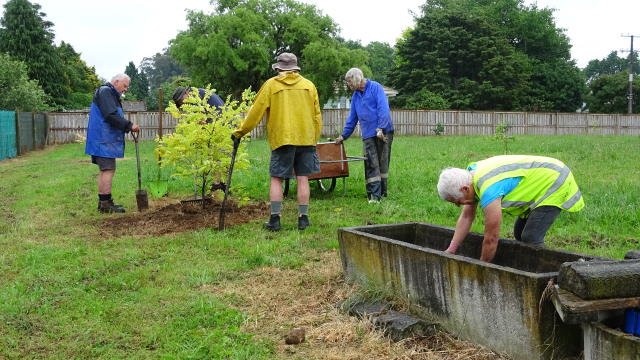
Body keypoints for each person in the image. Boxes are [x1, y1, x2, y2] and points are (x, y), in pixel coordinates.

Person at [232, 52, 322, 231]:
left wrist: (240, 132)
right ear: (296, 68)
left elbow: (254, 112)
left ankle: (275, 219)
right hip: (306, 138)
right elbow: (317, 116)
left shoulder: (271, 85)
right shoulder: (309, 86)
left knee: (276, 178)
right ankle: (303, 218)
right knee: (303, 177)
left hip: (282, 139)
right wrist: (314, 138)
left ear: (278, 68)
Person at [437, 155, 585, 262]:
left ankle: (553, 270)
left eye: (457, 201)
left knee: (531, 237)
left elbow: (492, 238)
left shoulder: (489, 189)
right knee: (519, 234)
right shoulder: (470, 177)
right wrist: (451, 250)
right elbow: (466, 217)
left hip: (555, 180)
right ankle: (530, 265)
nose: (458, 205)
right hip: (541, 179)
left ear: (464, 189)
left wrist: (482, 268)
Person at [335, 67, 394, 203]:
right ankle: (373, 196)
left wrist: (381, 128)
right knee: (371, 163)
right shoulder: (356, 96)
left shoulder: (376, 88)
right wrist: (343, 136)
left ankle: (382, 193)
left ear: (357, 79)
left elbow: (383, 109)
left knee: (382, 163)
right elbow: (352, 118)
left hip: (383, 131)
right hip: (368, 134)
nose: (349, 86)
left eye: (350, 82)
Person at [85, 73, 140, 213]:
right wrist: (129, 125)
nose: (126, 89)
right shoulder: (106, 92)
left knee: (107, 170)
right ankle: (105, 205)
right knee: (107, 170)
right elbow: (111, 116)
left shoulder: (109, 93)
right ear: (116, 82)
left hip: (104, 140)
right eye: (125, 85)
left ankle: (105, 202)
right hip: (103, 140)